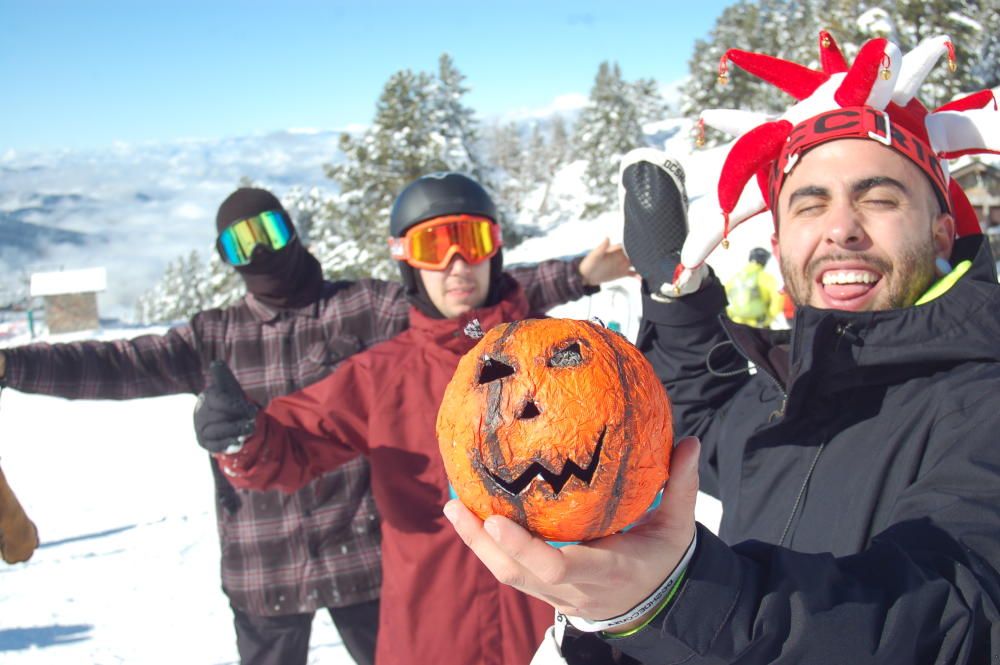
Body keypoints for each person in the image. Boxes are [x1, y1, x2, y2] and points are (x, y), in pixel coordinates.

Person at [444, 33, 1000, 664]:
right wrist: (677, 298)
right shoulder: (794, 391)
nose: (841, 228)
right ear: (782, 236)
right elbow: (702, 415)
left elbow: (955, 619)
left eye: (878, 198)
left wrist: (678, 601)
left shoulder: (985, 404)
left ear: (942, 229)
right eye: (809, 204)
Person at [0, 186, 627, 665]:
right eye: (238, 244)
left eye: (267, 230)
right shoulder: (214, 335)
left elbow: (469, 301)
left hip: (363, 560)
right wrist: (11, 365)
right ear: (225, 260)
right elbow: (112, 364)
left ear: (292, 230)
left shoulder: (360, 308)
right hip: (265, 566)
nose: (260, 252)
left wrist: (577, 274)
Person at [193, 172, 631, 665]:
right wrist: (242, 438)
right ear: (408, 262)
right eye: (433, 246)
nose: (456, 263)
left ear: (494, 250)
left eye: (471, 239)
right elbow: (291, 443)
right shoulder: (383, 377)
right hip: (433, 636)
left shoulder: (560, 356)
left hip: (560, 627)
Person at [723, 247, 782, 327]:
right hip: (758, 323)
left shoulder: (736, 277)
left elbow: (722, 296)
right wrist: (769, 317)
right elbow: (778, 298)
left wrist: (730, 315)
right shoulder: (765, 278)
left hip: (737, 323)